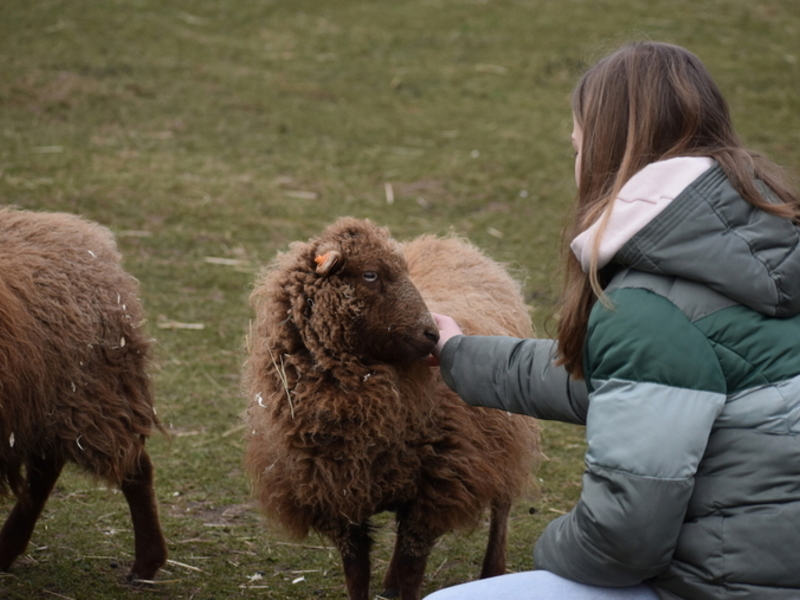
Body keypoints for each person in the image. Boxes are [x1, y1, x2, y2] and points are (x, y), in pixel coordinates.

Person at [423, 41, 800, 600]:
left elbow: (624, 541)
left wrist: (548, 549)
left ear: (605, 154)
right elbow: (633, 377)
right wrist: (459, 353)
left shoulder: (648, 305)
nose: (575, 166)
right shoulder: (767, 245)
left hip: (733, 583)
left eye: (577, 148)